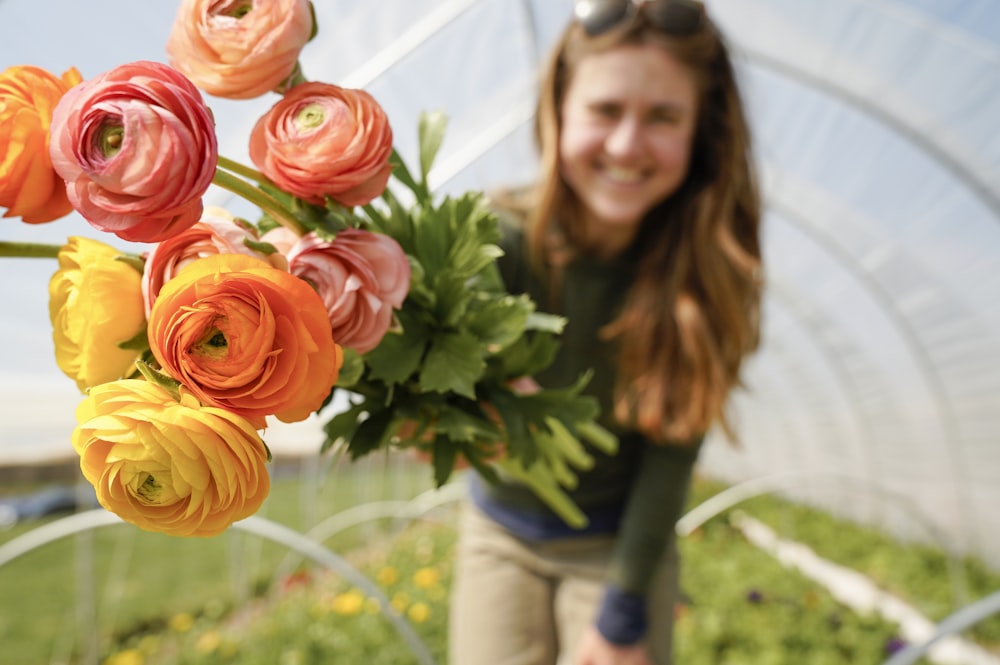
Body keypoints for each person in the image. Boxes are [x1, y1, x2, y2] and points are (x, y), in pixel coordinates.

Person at [447, 1, 762, 664]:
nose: (625, 145)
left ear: (701, 135)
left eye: (663, 118)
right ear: (558, 109)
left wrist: (623, 611)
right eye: (605, 110)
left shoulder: (704, 279)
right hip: (498, 528)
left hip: (615, 544)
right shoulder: (491, 241)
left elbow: (670, 453)